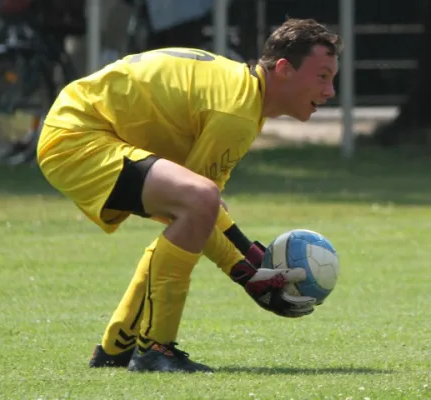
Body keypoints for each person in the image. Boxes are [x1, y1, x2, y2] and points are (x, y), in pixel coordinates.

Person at [37, 18, 342, 373]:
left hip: (78, 130)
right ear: (285, 69)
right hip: (79, 136)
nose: (330, 90)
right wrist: (248, 271)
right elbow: (202, 203)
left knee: (193, 211)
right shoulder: (236, 111)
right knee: (196, 204)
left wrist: (251, 262)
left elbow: (205, 212)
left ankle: (116, 348)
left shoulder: (242, 96)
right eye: (322, 76)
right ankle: (154, 349)